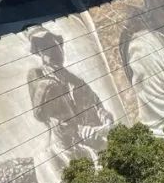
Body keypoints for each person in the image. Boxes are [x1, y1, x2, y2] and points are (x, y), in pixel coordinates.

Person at [25, 26, 112, 164]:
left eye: (57, 46)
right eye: (47, 48)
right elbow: (42, 114)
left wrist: (105, 118)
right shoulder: (38, 77)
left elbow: (97, 103)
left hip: (94, 139)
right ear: (40, 52)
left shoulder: (75, 80)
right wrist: (81, 130)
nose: (55, 51)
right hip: (66, 147)